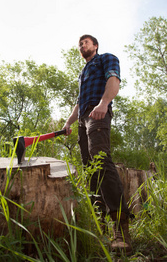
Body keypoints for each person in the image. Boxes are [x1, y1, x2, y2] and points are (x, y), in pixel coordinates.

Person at [63, 34, 132, 255]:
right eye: (79, 44)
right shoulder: (82, 73)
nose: (82, 45)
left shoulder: (106, 59)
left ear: (95, 46)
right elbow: (78, 103)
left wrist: (104, 103)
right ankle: (99, 226)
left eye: (85, 42)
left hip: (98, 113)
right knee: (90, 169)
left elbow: (114, 81)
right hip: (83, 118)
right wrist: (68, 123)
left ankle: (121, 229)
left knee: (101, 161)